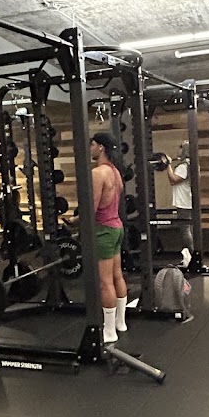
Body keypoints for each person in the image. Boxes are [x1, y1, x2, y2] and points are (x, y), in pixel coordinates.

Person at [90, 132, 128, 343]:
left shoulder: (98, 173)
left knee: (105, 282)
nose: (91, 149)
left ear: (101, 147)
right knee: (117, 276)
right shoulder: (116, 172)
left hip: (104, 230)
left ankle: (110, 331)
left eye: (93, 145)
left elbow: (93, 207)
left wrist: (78, 222)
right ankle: (120, 323)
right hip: (117, 228)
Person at [163, 143, 193, 267]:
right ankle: (188, 258)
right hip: (188, 201)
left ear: (184, 150)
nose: (178, 150)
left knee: (185, 230)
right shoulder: (191, 164)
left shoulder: (183, 166)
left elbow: (173, 180)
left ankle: (192, 257)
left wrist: (168, 165)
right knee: (188, 229)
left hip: (184, 202)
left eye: (180, 148)